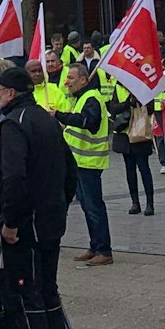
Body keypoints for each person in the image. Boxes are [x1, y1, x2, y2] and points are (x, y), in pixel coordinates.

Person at [0, 64, 72, 329]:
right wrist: (58, 207)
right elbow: (69, 170)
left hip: (26, 229)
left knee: (29, 300)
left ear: (8, 92)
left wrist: (9, 222)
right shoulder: (46, 120)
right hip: (50, 224)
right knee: (49, 297)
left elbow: (12, 178)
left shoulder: (13, 124)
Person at [56, 62, 113, 267]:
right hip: (79, 162)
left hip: (89, 162)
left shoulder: (91, 98)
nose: (67, 82)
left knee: (94, 207)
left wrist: (59, 115)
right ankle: (95, 246)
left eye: (71, 78)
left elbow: (89, 122)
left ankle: (104, 250)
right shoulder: (81, 98)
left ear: (83, 80)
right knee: (88, 207)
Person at [107, 70, 156, 216]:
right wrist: (127, 103)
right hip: (124, 134)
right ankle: (135, 202)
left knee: (144, 168)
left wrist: (140, 100)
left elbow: (151, 109)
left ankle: (150, 203)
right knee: (130, 170)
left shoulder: (143, 87)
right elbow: (113, 108)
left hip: (140, 134)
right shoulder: (118, 87)